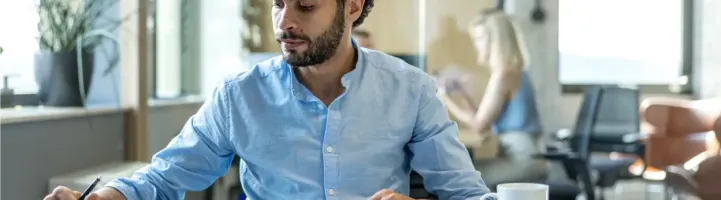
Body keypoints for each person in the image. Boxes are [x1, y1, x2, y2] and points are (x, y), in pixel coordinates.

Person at [44, 0, 490, 200]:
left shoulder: (410, 90)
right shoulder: (239, 96)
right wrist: (106, 198)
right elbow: (163, 179)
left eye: (305, 6)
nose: (285, 22)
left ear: (353, 6)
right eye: (278, 4)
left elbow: (469, 196)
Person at [437, 9, 548, 187]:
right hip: (525, 156)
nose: (476, 45)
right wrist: (464, 93)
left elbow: (479, 126)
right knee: (460, 173)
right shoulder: (513, 71)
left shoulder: (503, 75)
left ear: (496, 40)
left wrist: (443, 97)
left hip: (522, 161)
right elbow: (484, 120)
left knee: (456, 179)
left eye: (479, 39)